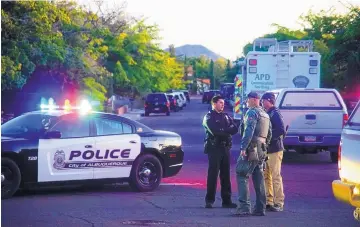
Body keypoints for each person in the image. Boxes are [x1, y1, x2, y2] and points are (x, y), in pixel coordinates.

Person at [233, 91, 272, 217]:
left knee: (241, 173)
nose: (247, 102)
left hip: (252, 148)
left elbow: (248, 131)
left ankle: (244, 207)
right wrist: (265, 147)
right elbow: (270, 133)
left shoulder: (252, 112)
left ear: (254, 99)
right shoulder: (265, 114)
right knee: (258, 177)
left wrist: (243, 147)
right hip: (261, 149)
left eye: (248, 99)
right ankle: (260, 208)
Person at [202, 95, 238, 209]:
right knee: (213, 175)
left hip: (225, 148)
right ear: (214, 104)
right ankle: (209, 200)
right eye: (220, 102)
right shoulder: (208, 117)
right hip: (214, 148)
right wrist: (227, 131)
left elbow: (235, 128)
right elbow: (215, 131)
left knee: (226, 175)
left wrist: (225, 131)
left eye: (223, 103)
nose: (223, 104)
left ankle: (226, 201)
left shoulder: (226, 116)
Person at [261, 92, 286, 212]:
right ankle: (269, 201)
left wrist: (268, 139)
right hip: (267, 149)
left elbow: (281, 129)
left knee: (276, 176)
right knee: (266, 176)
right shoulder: (267, 113)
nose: (262, 102)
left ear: (269, 100)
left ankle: (279, 202)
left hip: (275, 149)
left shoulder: (275, 113)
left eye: (263, 100)